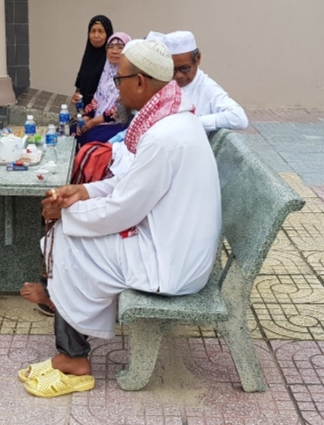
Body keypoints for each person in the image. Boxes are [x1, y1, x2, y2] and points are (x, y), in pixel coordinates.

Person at [17, 39, 222, 397]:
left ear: (140, 82)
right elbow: (130, 184)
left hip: (172, 263)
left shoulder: (164, 136)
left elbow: (123, 209)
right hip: (170, 242)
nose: (116, 86)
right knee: (70, 233)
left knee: (66, 239)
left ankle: (73, 358)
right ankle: (69, 332)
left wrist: (65, 213)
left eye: (119, 79)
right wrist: (83, 192)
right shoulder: (171, 118)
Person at [163, 31, 249, 132]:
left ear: (198, 59)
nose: (178, 75)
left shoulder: (207, 88)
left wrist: (194, 122)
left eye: (185, 68)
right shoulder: (163, 82)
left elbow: (239, 118)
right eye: (172, 69)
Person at [75, 32, 132, 146]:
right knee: (74, 130)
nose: (114, 51)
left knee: (92, 138)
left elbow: (120, 111)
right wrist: (87, 117)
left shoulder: (129, 76)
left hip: (117, 123)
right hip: (99, 118)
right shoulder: (105, 72)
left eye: (120, 47)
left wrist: (93, 122)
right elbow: (97, 99)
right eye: (111, 47)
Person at [71, 15, 114, 109]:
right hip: (85, 112)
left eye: (100, 31)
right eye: (93, 31)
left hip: (104, 112)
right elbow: (80, 87)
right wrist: (76, 97)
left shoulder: (113, 60)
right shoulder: (88, 56)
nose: (96, 35)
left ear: (108, 34)